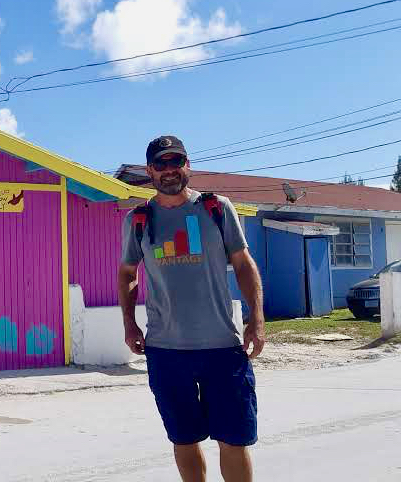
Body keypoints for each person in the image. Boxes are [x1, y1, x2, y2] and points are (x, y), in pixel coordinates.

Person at [117, 135, 265, 482]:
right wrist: (129, 323)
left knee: (234, 439)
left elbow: (243, 264)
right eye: (161, 164)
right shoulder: (138, 219)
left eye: (176, 162)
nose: (169, 171)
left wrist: (256, 319)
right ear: (150, 171)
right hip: (166, 352)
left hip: (223, 348)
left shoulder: (216, 208)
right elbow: (127, 273)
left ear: (188, 166)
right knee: (184, 438)